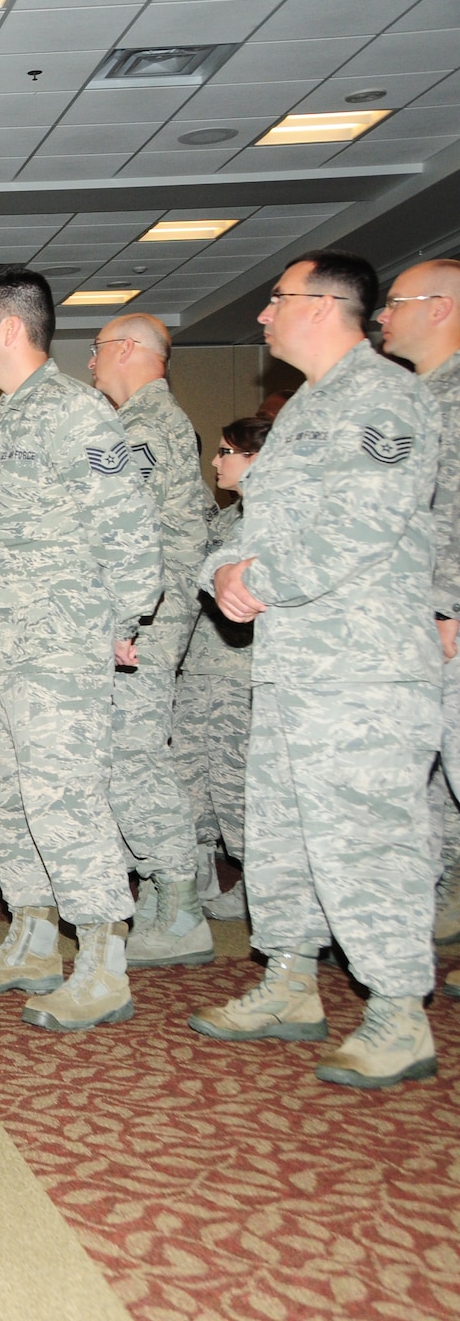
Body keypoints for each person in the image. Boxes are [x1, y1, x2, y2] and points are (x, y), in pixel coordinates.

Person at [190, 250, 443, 1088]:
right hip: (295, 666)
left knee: (370, 842)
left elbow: (361, 526)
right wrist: (220, 574)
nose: (261, 318)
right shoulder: (304, 410)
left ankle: (399, 1014)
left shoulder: (386, 399)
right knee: (286, 837)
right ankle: (291, 984)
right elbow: (254, 522)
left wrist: (252, 582)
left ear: (327, 305)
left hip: (363, 671)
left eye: (275, 301)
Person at [0, 268, 160, 1032]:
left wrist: (122, 621)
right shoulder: (10, 420)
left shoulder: (75, 411)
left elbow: (130, 526)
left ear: (9, 327)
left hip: (57, 650)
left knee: (67, 803)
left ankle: (104, 965)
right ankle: (34, 939)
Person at [88, 313, 216, 969]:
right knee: (122, 758)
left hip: (143, 620)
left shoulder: (144, 428)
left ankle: (181, 905)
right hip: (138, 615)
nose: (90, 362)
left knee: (135, 757)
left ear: (132, 350)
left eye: (99, 348)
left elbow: (117, 531)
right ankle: (164, 893)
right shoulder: (140, 424)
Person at [377, 258, 460, 993]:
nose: (381, 315)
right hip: (414, 623)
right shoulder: (414, 398)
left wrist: (451, 606)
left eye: (397, 302)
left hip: (449, 620)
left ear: (441, 308)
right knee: (431, 790)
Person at [172, 417, 268, 923]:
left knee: (238, 785)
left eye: (227, 451)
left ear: (256, 459)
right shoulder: (227, 521)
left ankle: (266, 888)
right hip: (202, 667)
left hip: (240, 674)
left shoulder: (271, 520)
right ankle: (196, 876)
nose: (216, 462)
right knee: (190, 781)